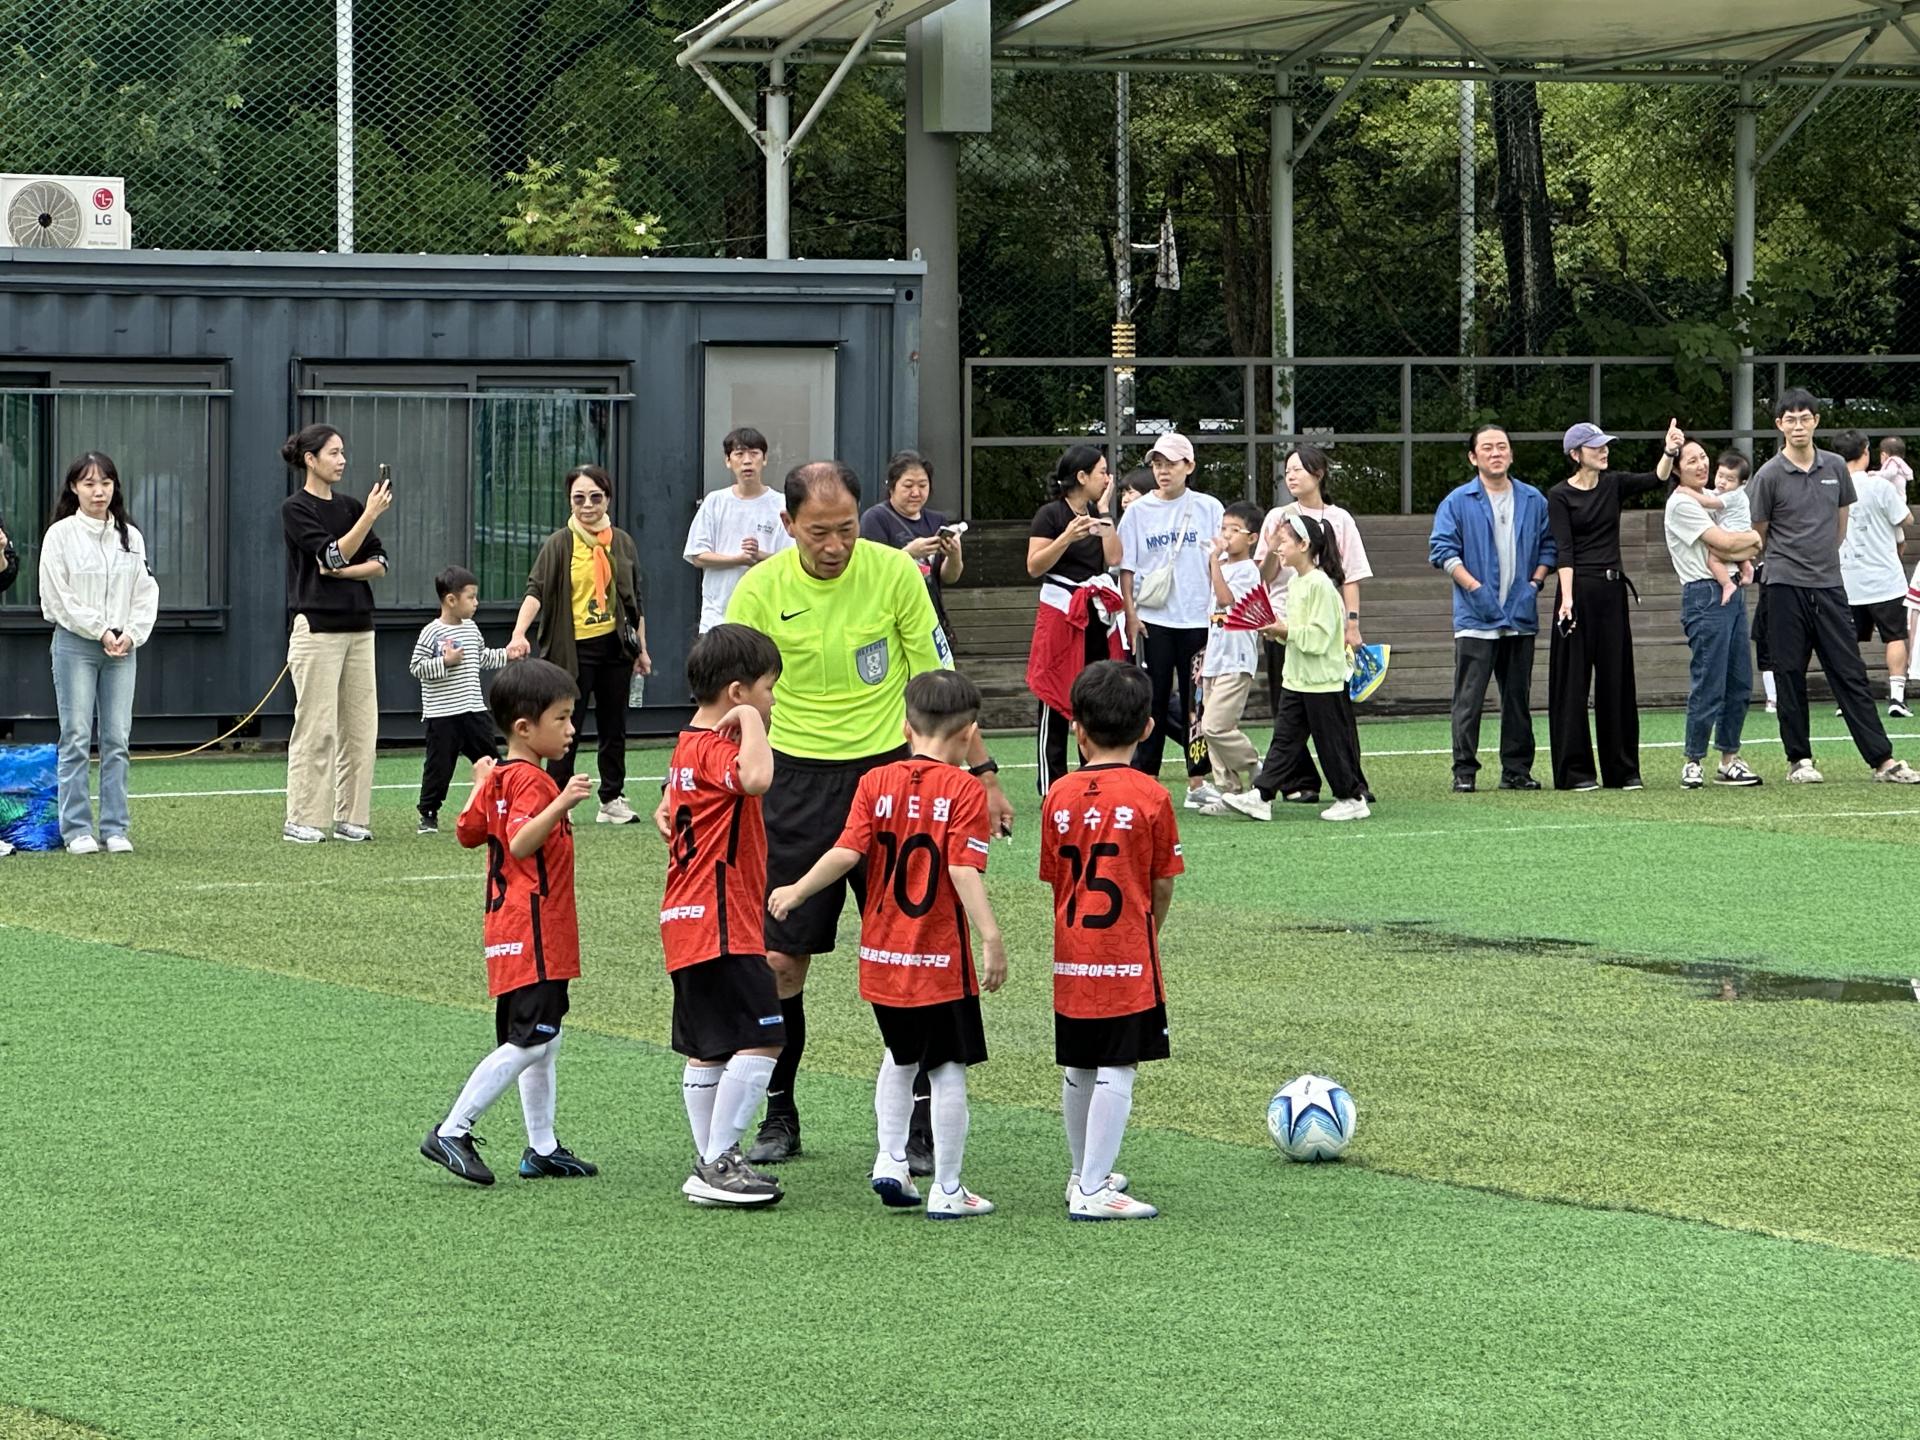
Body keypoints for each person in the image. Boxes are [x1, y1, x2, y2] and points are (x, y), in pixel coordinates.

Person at [706, 460, 1014, 1167]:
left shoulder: (895, 573)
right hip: (792, 784)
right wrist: (692, 784)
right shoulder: (758, 589)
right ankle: (779, 1114)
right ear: (787, 524)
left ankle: (920, 1125)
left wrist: (984, 772)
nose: (835, 544)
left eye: (846, 528)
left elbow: (940, 681)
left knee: (917, 956)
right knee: (781, 959)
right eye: (818, 532)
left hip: (892, 778)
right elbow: (729, 701)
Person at [770, 671, 1006, 1219]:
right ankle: (948, 1188)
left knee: (899, 1056)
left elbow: (847, 852)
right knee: (947, 1068)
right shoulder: (965, 790)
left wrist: (797, 890)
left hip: (882, 954)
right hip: (938, 958)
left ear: (905, 728)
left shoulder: (875, 782)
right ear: (969, 734)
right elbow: (963, 869)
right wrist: (991, 936)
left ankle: (890, 1159)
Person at [421, 658, 599, 1187]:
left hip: (514, 928)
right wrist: (561, 801)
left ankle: (542, 1148)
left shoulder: (500, 777)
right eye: (561, 718)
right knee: (529, 1040)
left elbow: (467, 832)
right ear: (524, 727)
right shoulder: (534, 783)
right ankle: (453, 1130)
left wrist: (481, 783)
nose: (571, 729)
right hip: (533, 928)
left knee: (545, 1037)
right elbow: (520, 843)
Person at [1041, 660, 1180, 1221]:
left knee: (1079, 1064)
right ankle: (1094, 1188)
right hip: (1125, 955)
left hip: (1072, 952)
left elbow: (1055, 877)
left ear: (1077, 729)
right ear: (1147, 728)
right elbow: (1162, 883)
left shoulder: (1057, 795)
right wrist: (1147, 931)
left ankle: (1083, 1172)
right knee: (1119, 1064)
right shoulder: (1151, 796)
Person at [660, 623, 787, 1208]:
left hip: (686, 916)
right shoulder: (716, 747)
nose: (772, 701)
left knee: (710, 1047)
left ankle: (715, 1162)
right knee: (765, 1038)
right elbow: (757, 778)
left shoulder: (686, 745)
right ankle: (716, 1162)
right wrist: (751, 723)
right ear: (737, 692)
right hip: (720, 919)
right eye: (768, 689)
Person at [1749, 388, 1920, 785]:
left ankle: (1882, 761)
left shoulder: (1835, 468)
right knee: (1789, 673)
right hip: (1783, 587)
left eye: (1804, 418)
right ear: (1779, 425)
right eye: (1790, 419)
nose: (1798, 426)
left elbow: (1840, 524)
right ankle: (1799, 760)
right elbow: (1760, 533)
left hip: (1829, 585)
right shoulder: (1768, 475)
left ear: (1816, 421)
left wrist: (1822, 562)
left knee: (1849, 672)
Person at [505, 465, 650, 825]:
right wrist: (519, 633)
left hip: (616, 648)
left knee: (614, 726)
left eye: (595, 497)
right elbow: (535, 591)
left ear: (608, 499)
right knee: (564, 726)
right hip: (572, 651)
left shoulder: (621, 542)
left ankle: (612, 798)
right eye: (579, 498)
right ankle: (557, 801)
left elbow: (635, 602)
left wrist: (642, 650)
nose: (588, 505)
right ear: (569, 501)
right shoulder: (559, 543)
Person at [1546, 419, 1681, 791]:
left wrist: (1669, 451)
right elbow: (1564, 550)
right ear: (1576, 454)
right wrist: (1567, 600)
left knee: (1616, 680)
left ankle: (1622, 770)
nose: (1604, 451)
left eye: (1605, 445)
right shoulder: (1559, 495)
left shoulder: (1613, 484)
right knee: (1572, 683)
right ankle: (1575, 772)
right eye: (1596, 447)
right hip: (1577, 591)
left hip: (1612, 591)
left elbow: (1656, 478)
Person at [38, 452, 159, 855]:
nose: (98, 491)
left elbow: (145, 591)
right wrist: (100, 629)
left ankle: (115, 827)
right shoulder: (60, 536)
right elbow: (58, 597)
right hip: (76, 645)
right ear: (74, 488)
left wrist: (131, 634)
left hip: (123, 647)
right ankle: (76, 830)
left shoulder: (131, 536)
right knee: (75, 736)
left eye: (105, 483)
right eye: (89, 483)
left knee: (117, 738)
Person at [1428, 425, 1556, 793]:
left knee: (1517, 698)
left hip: (1520, 616)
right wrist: (1475, 588)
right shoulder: (1457, 501)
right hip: (1475, 617)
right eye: (1487, 448)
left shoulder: (1533, 499)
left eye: (1502, 446)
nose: (1496, 453)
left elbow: (1549, 546)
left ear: (1511, 454)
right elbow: (1442, 550)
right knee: (1469, 698)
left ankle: (1516, 770)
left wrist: (1534, 585)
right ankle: (1464, 771)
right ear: (1473, 457)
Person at [280, 424, 390, 844]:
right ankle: (302, 818)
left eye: (343, 452)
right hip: (317, 629)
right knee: (317, 726)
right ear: (310, 460)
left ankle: (351, 817)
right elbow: (331, 553)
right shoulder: (295, 509)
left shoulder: (349, 506)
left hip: (360, 627)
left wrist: (343, 571)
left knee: (361, 729)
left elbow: (380, 562)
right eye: (333, 453)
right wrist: (369, 517)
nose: (342, 460)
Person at [1225, 514, 1371, 822]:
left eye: (1283, 542)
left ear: (1303, 545)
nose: (1277, 548)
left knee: (1331, 743)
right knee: (1284, 740)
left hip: (1322, 681)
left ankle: (1352, 798)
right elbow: (1297, 631)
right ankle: (1262, 795)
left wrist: (1283, 630)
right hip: (1297, 678)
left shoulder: (1321, 585)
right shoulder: (1297, 582)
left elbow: (1319, 638)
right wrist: (1278, 632)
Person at [1253, 445, 1375, 804]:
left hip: (1322, 623)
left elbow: (1350, 576)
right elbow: (1263, 576)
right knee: (1287, 708)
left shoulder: (1339, 519)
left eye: (1299, 469)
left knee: (1333, 711)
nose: (1290, 476)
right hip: (1282, 620)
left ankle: (1353, 785)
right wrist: (1273, 545)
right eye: (1287, 470)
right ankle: (1299, 781)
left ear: (1318, 474)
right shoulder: (1278, 516)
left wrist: (1352, 624)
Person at [1117, 432, 1224, 806]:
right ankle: (1147, 779)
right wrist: (1131, 615)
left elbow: (1220, 562)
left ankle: (1197, 782)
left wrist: (1219, 613)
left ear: (1189, 466)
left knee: (1198, 704)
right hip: (1153, 622)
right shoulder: (1137, 512)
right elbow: (1126, 569)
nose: (1163, 471)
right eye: (1157, 464)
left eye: (1171, 464)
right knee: (1152, 702)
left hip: (1199, 619)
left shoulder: (1209, 508)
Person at [1663, 440, 1765, 789]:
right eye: (1692, 460)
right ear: (1678, 469)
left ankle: (1729, 759)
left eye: (1704, 457)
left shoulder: (1715, 495)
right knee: (1709, 681)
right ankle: (1693, 760)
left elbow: (1742, 541)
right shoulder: (1681, 503)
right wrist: (1752, 542)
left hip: (1733, 591)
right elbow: (1726, 543)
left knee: (1739, 682)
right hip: (1705, 594)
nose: (1701, 464)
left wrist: (1748, 543)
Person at [1026, 444, 1123, 793]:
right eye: (1101, 472)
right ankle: (1051, 785)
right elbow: (1034, 565)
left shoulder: (1098, 513)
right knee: (1055, 692)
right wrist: (1067, 537)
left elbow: (1114, 558)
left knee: (1094, 695)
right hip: (1060, 613)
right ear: (1081, 476)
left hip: (1094, 612)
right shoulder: (1051, 515)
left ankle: (1091, 779)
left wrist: (1105, 513)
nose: (1107, 479)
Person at [409, 565, 506, 835]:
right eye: (471, 597)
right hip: (442, 716)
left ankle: (504, 805)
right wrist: (445, 662)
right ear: (451, 600)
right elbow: (416, 667)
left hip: (474, 711)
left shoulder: (472, 628)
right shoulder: (431, 632)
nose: (476, 603)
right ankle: (428, 813)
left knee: (492, 761)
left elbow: (482, 657)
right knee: (439, 766)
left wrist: (508, 654)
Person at [1833, 429, 1914, 718]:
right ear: (1865, 451)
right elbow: (1906, 518)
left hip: (1846, 579)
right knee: (1895, 636)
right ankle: (1896, 698)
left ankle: (1848, 700)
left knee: (1847, 641)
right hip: (1885, 579)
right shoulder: (1880, 486)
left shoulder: (1831, 488)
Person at [685, 426, 791, 635]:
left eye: (754, 454)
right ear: (728, 460)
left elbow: (792, 560)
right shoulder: (715, 501)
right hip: (717, 617)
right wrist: (738, 559)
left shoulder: (781, 504)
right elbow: (697, 555)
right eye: (739, 454)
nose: (747, 461)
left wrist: (759, 555)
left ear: (765, 459)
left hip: (767, 617)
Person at [1194, 501, 1265, 807]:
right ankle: (1229, 791)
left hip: (1237, 660)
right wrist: (1205, 660)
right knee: (1210, 729)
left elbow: (1225, 600)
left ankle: (1254, 763)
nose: (1226, 535)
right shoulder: (1223, 568)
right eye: (1223, 529)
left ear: (1252, 538)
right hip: (1216, 659)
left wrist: (1213, 562)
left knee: (1215, 726)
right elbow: (1215, 620)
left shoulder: (1248, 570)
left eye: (1234, 530)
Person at [861, 449, 963, 648]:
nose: (916, 493)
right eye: (908, 486)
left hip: (930, 619)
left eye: (923, 485)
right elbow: (870, 573)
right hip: (890, 621)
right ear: (892, 486)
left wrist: (954, 555)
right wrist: (909, 553)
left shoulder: (937, 521)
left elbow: (949, 577)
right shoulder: (875, 519)